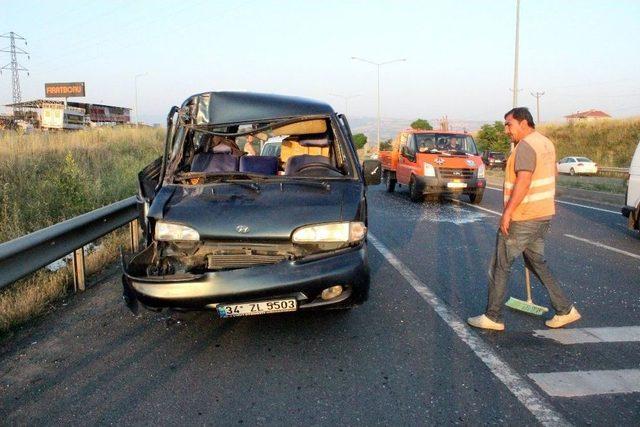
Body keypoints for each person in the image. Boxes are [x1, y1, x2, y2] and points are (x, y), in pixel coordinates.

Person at [467, 107, 581, 331]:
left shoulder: (526, 146)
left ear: (523, 123)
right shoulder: (545, 143)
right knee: (536, 262)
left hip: (524, 216)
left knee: (500, 264)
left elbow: (524, 181)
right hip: (542, 213)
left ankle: (493, 317)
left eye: (509, 124)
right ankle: (565, 309)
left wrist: (508, 213)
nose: (506, 130)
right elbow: (552, 175)